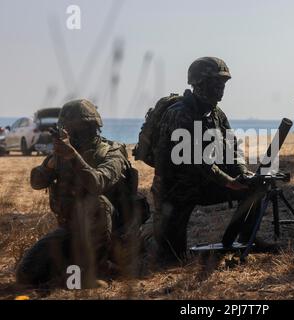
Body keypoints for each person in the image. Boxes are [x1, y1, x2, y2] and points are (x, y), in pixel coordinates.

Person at [144, 57, 275, 263]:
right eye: (216, 83)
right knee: (171, 259)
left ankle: (246, 238)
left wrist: (243, 174)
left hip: (205, 183)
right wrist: (229, 182)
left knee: (254, 188)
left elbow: (232, 148)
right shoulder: (180, 114)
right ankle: (145, 236)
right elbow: (197, 161)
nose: (221, 88)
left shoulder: (216, 113)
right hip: (175, 191)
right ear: (199, 84)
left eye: (223, 84)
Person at [16, 99, 147, 288]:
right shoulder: (65, 152)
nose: (73, 132)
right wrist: (52, 162)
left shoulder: (111, 153)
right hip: (73, 230)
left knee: (97, 203)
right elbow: (36, 182)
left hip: (114, 234)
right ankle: (75, 267)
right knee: (26, 275)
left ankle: (95, 270)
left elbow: (97, 183)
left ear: (92, 127)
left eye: (77, 128)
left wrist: (73, 157)